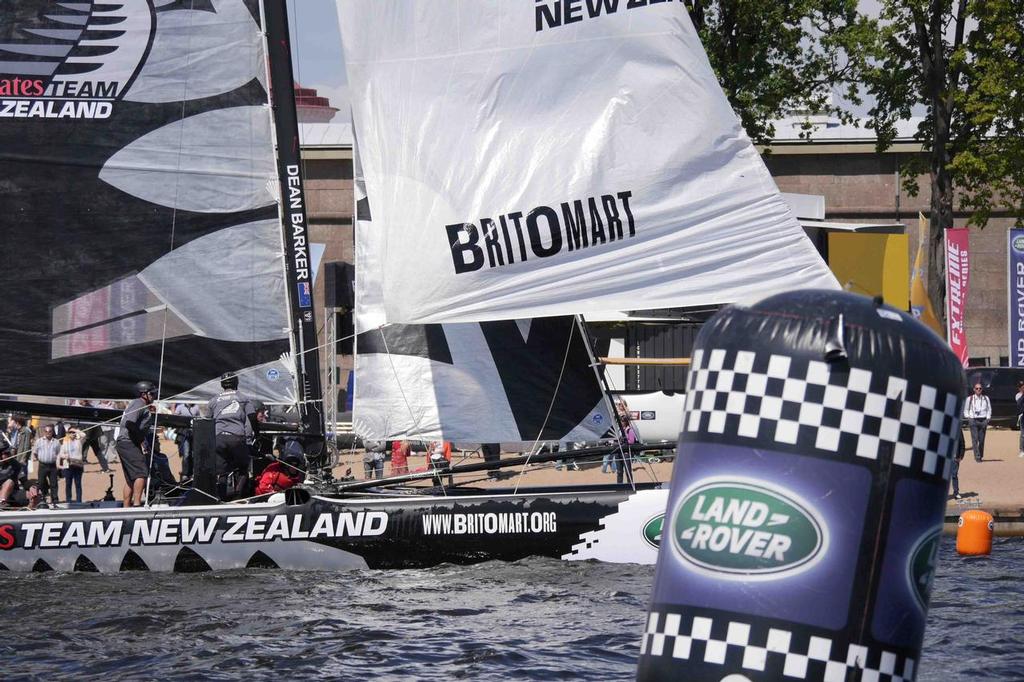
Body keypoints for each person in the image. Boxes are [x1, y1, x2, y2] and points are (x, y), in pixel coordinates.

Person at [207, 372, 259, 500]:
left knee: (221, 472)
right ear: (236, 383)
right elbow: (252, 417)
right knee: (243, 467)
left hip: (218, 438)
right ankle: (238, 496)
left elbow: (207, 421)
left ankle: (222, 499)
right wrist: (257, 433)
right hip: (237, 437)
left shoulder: (213, 400)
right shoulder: (243, 398)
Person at [116, 381, 159, 507]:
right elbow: (130, 423)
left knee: (131, 478)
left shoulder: (142, 405)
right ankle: (136, 505)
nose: (154, 397)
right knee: (141, 473)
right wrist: (139, 440)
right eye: (152, 394)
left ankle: (126, 508)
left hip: (125, 443)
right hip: (128, 442)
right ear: (144, 394)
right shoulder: (138, 403)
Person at [32, 424, 61, 505]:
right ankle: (43, 498)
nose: (48, 433)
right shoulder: (39, 441)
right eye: (46, 431)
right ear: (44, 432)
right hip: (42, 465)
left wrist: (58, 464)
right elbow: (35, 453)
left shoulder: (56, 442)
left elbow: (59, 453)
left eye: (50, 431)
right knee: (41, 483)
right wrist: (40, 459)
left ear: (52, 432)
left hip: (52, 465)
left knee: (54, 483)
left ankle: (55, 499)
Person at [963, 382, 991, 462]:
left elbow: (989, 409)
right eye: (977, 388)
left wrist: (988, 418)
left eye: (980, 388)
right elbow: (966, 409)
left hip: (983, 420)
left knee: (981, 440)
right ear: (974, 389)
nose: (978, 390)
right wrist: (968, 417)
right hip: (973, 420)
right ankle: (977, 456)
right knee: (975, 439)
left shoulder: (986, 398)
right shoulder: (970, 398)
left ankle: (980, 454)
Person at [57, 428, 85, 504]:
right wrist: (65, 456)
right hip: (68, 465)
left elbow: (84, 435)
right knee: (68, 484)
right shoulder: (65, 442)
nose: (72, 434)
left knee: (78, 483)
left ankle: (79, 500)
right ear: (68, 433)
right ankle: (68, 500)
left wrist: (76, 430)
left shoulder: (79, 441)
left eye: (73, 432)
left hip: (78, 465)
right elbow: (61, 454)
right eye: (70, 432)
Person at [174, 402, 199, 478]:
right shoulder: (180, 407)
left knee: (194, 454)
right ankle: (185, 473)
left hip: (194, 433)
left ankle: (193, 473)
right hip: (184, 433)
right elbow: (174, 418)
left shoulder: (196, 407)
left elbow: (199, 418)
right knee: (186, 454)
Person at [5, 416, 31, 487]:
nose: (13, 425)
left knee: (23, 472)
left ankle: (26, 487)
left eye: (14, 423)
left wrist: (24, 458)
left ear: (17, 423)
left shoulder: (26, 431)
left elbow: (27, 446)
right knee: (17, 471)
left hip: (22, 456)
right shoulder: (19, 431)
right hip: (17, 454)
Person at [951, 432, 965, 500]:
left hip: (955, 457)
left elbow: (962, 443)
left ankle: (956, 493)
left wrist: (961, 456)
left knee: (954, 475)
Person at [1016, 380, 1024, 458]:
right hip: (1023, 417)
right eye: (1021, 387)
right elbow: (1019, 403)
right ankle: (1022, 450)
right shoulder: (1018, 395)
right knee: (1023, 434)